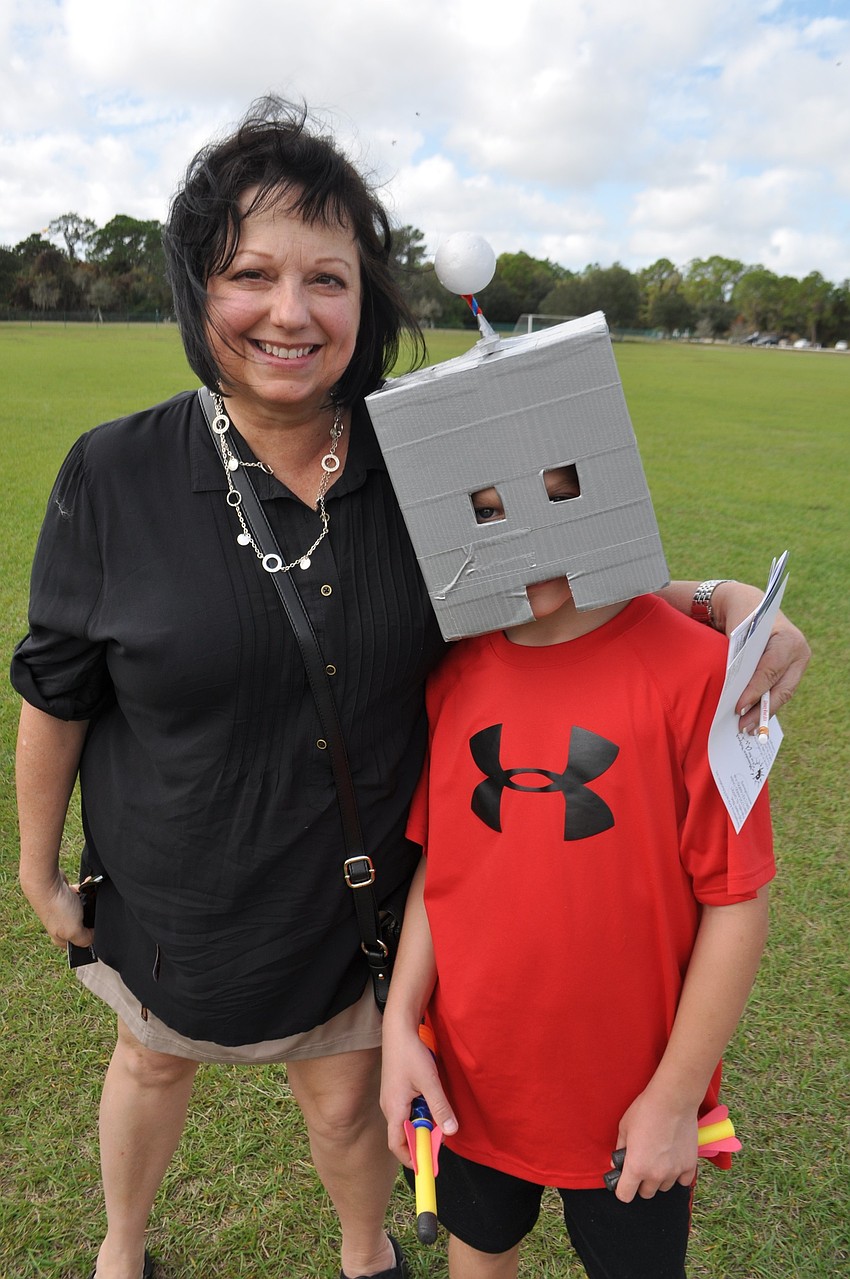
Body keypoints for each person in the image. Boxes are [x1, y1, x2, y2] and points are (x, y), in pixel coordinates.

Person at [12, 96, 807, 1279]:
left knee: (346, 1099)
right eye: (250, 274)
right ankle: (120, 1249)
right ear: (197, 291)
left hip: (358, 880)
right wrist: (36, 866)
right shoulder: (113, 470)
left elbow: (547, 564)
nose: (290, 312)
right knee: (151, 1060)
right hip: (177, 877)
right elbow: (58, 688)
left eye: (326, 279)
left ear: (365, 300)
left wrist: (716, 597)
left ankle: (364, 1253)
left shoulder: (422, 465)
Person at [379, 465, 777, 1279]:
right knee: (479, 1245)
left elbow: (736, 901)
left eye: (557, 497)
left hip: (633, 1096)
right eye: (488, 511)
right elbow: (442, 866)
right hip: (473, 1078)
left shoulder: (699, 672)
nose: (526, 533)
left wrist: (674, 1096)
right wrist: (400, 1023)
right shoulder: (454, 669)